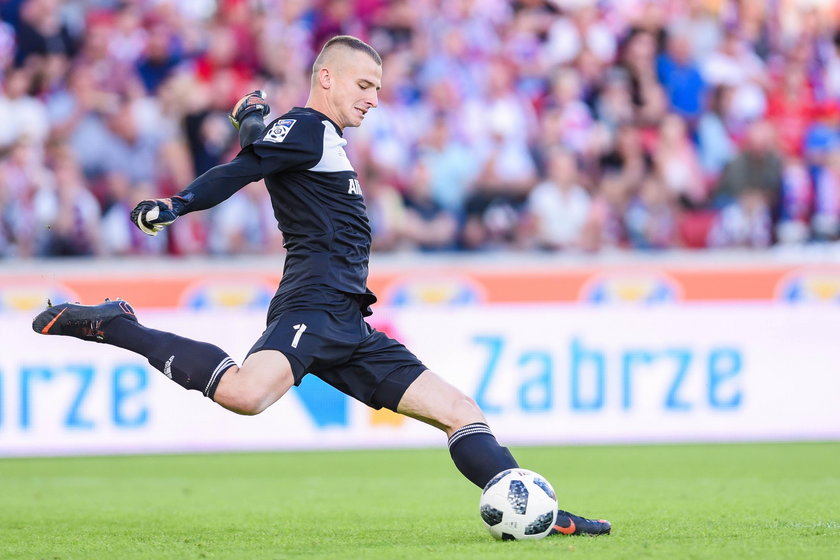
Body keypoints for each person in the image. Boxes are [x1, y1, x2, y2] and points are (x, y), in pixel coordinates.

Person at [32, 35, 610, 537]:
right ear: (326, 78)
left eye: (379, 89)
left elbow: (263, 151)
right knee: (245, 394)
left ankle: (536, 510)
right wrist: (176, 204)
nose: (373, 99)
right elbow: (243, 168)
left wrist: (252, 119)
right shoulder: (309, 128)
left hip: (349, 325)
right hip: (312, 305)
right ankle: (117, 325)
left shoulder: (310, 135)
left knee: (460, 409)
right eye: (364, 84)